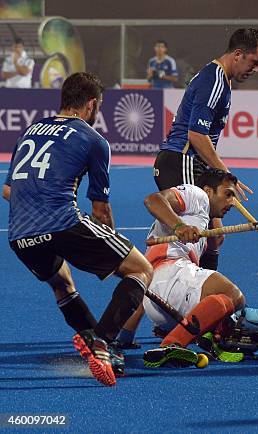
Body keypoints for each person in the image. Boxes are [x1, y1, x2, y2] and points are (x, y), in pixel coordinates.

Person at [2, 72, 153, 386]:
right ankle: (104, 343)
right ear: (91, 103)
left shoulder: (30, 130)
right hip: (63, 224)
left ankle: (92, 341)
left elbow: (8, 190)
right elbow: (100, 210)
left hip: (19, 234)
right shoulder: (93, 139)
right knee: (140, 269)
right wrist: (114, 247)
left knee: (62, 283)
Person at [153, 28, 258, 272]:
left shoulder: (221, 79)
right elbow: (196, 135)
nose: (256, 69)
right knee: (194, 238)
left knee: (215, 236)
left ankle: (207, 296)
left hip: (189, 162)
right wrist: (226, 176)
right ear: (238, 54)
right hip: (182, 160)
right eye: (254, 62)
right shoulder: (214, 80)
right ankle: (174, 292)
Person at [117, 169, 245, 367]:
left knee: (227, 312)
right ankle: (173, 343)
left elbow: (143, 286)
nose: (232, 202)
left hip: (159, 300)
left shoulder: (202, 223)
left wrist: (125, 335)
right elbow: (153, 200)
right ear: (209, 191)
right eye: (228, 194)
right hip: (169, 277)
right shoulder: (197, 195)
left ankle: (198, 336)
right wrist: (179, 227)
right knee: (233, 295)